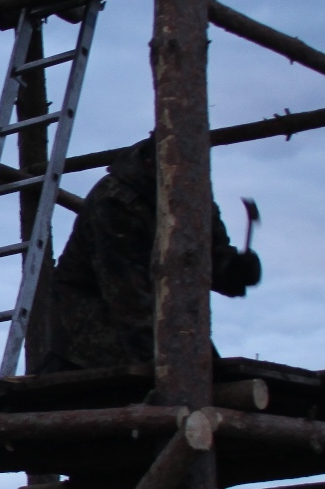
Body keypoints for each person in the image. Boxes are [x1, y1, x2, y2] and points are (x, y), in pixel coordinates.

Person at [33, 143, 262, 374]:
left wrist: (232, 270)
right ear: (152, 165)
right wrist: (171, 368)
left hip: (160, 317)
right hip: (92, 327)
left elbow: (206, 255)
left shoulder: (193, 190)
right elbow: (127, 298)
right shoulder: (115, 201)